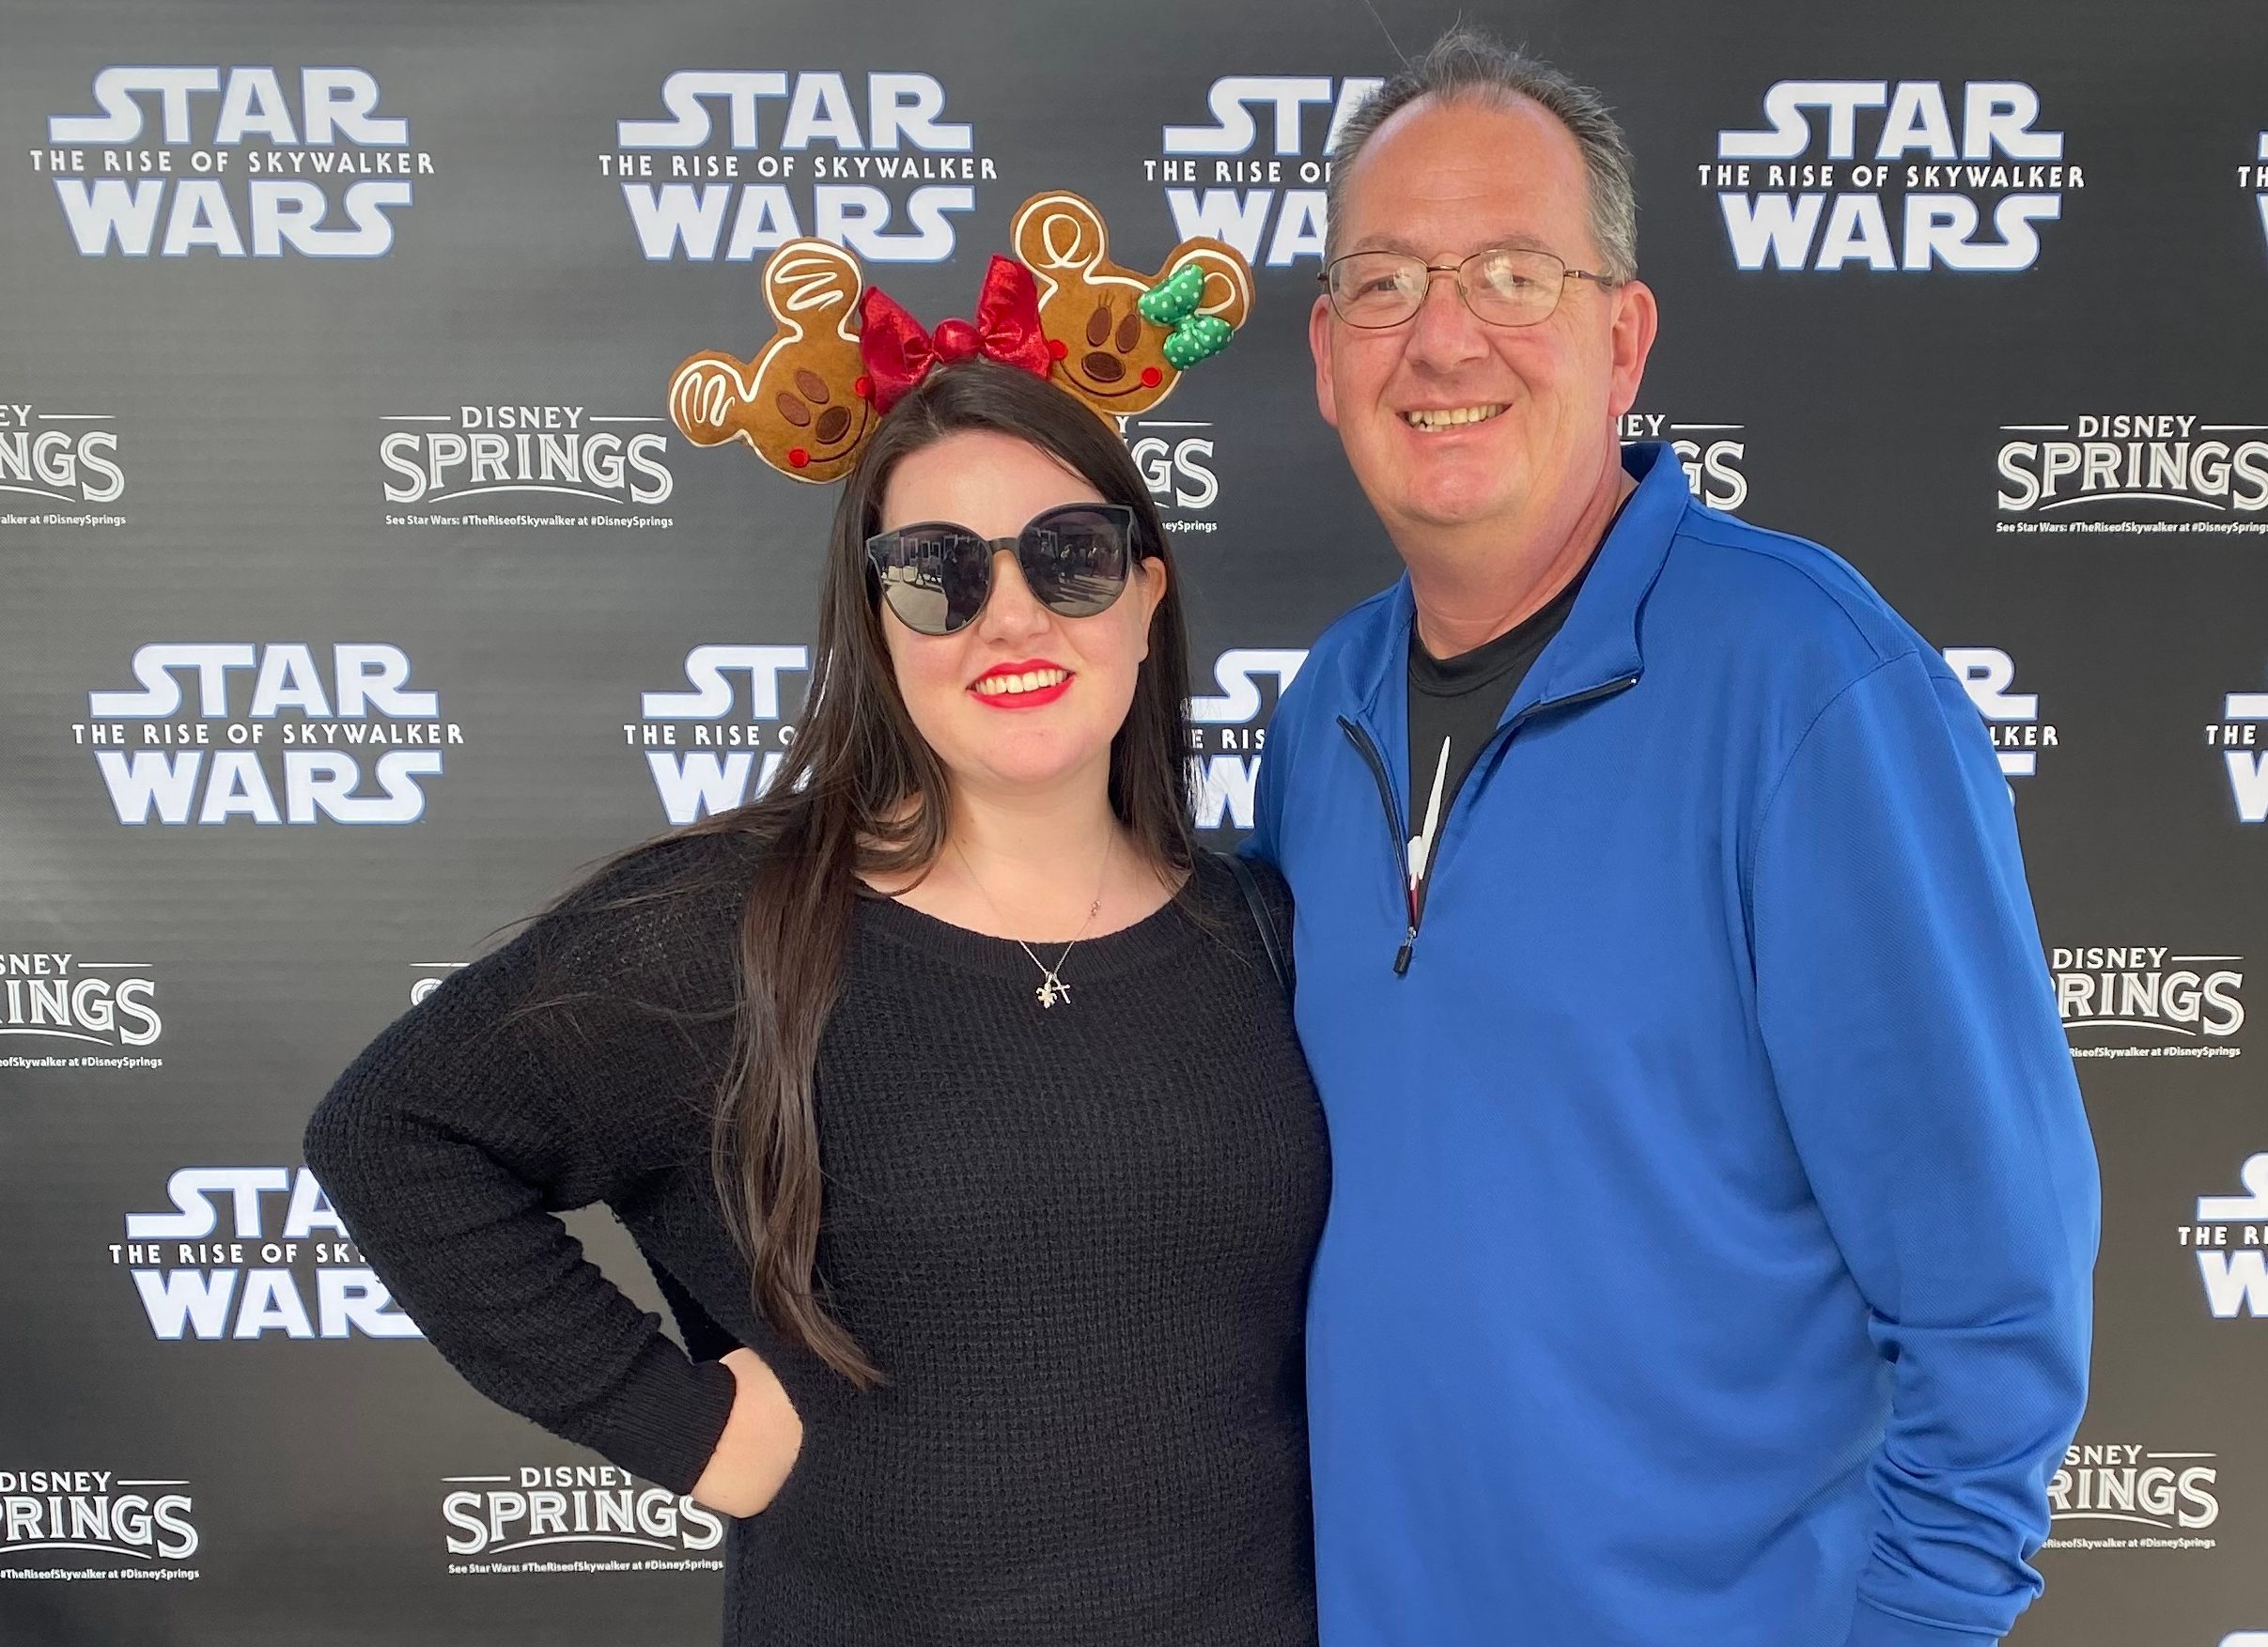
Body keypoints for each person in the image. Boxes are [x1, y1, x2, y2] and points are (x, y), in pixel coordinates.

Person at [1244, 24, 2101, 1647]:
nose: (1441, 340)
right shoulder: (1322, 710)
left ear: (1622, 340)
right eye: (1384, 284)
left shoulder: (1810, 690)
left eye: (1513, 274)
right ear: (1325, 352)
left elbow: (1993, 1301)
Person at [304, 357, 1328, 1647]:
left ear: (1145, 592)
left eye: (1069, 556)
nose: (1010, 618)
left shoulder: (1270, 935)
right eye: (938, 572)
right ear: (876, 619)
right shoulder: (732, 928)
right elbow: (393, 1130)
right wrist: (686, 1428)